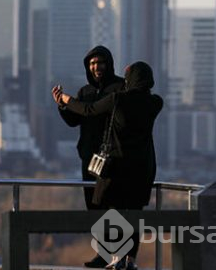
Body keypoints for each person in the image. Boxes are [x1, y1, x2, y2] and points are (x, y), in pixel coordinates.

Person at [54, 62, 163, 270]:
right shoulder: (156, 102)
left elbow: (88, 110)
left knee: (115, 211)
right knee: (135, 213)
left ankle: (117, 257)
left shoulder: (118, 99)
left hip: (118, 165)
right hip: (143, 166)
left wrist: (66, 100)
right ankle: (130, 260)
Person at [55, 46, 125, 268]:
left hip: (113, 159)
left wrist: (70, 102)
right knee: (94, 208)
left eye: (100, 62)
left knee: (113, 207)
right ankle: (103, 255)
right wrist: (62, 105)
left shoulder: (120, 88)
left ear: (109, 64)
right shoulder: (85, 92)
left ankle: (118, 256)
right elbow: (75, 120)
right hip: (89, 159)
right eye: (92, 64)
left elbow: (90, 111)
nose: (96, 67)